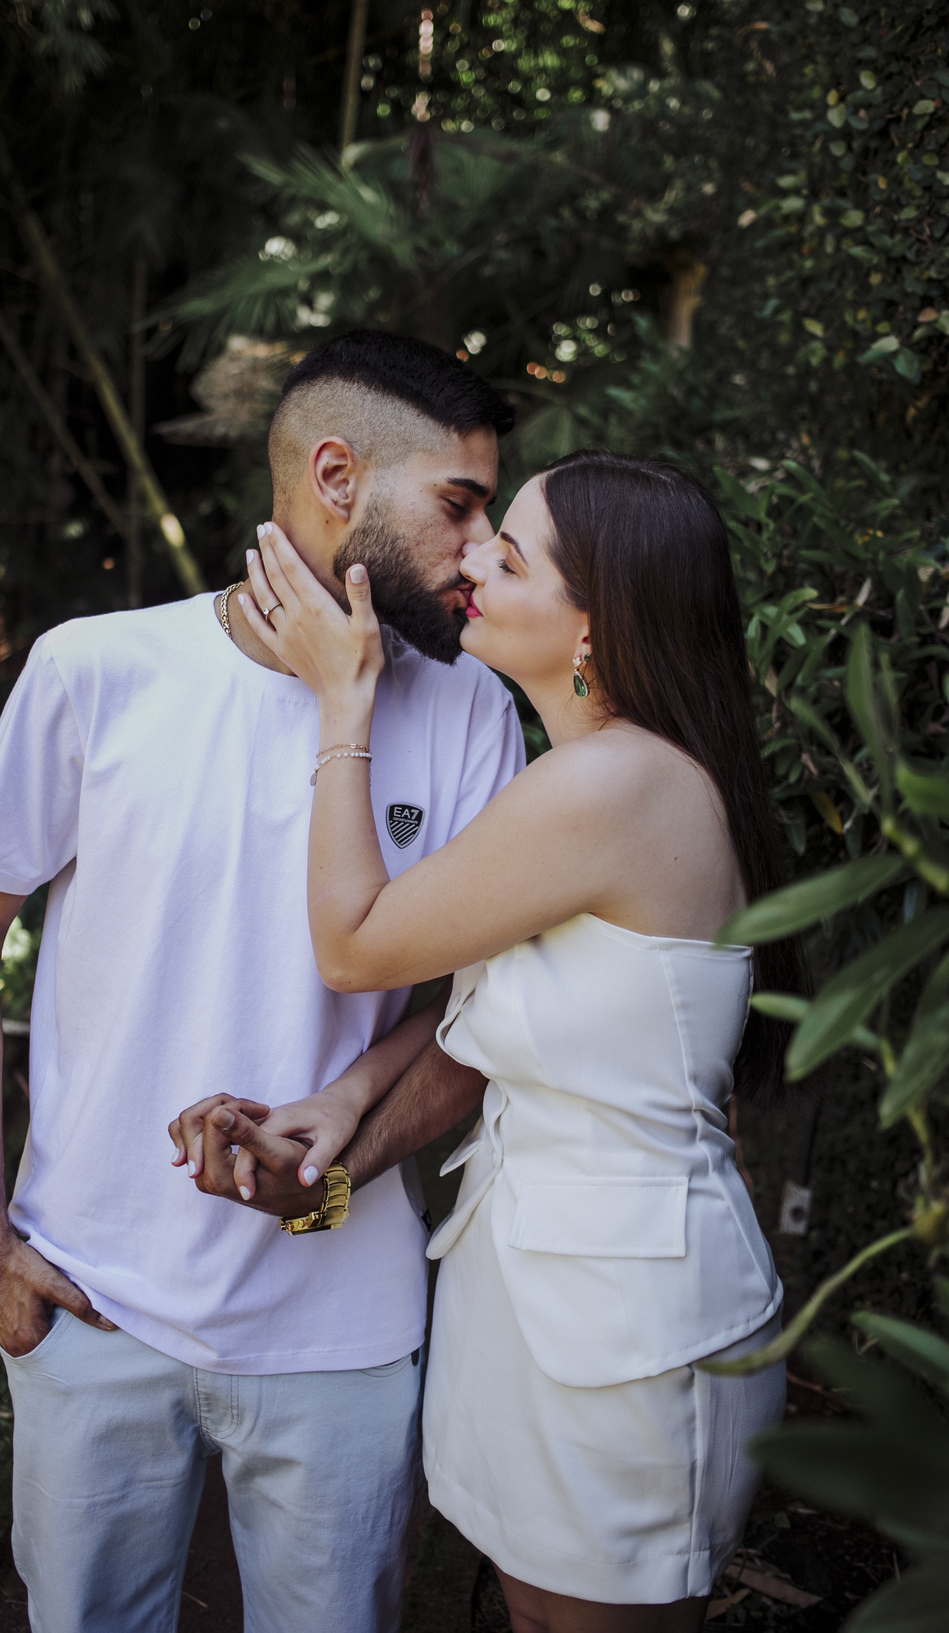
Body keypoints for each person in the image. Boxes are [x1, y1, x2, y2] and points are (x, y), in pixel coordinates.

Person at [0, 329, 527, 1633]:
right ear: (336, 476)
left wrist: (341, 1170)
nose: (482, 552)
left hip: (344, 1332)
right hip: (94, 1302)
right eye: (460, 506)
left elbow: (482, 1014)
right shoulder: (95, 670)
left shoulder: (474, 712)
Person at [175, 451, 799, 1633]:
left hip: (621, 1328)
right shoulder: (589, 780)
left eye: (505, 557)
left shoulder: (614, 787)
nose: (469, 560)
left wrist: (344, 704)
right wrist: (351, 1098)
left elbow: (354, 945)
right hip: (538, 1302)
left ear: (591, 625)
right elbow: (487, 1006)